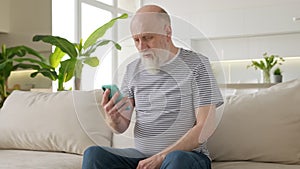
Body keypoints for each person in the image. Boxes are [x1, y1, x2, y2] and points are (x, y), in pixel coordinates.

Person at [82, 4, 223, 169]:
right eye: (136, 40)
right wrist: (113, 118)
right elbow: (121, 127)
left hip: (185, 157)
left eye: (148, 38)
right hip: (142, 159)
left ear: (167, 32)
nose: (141, 47)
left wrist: (162, 157)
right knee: (94, 154)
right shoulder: (132, 69)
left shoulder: (197, 64)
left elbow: (206, 126)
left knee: (177, 160)